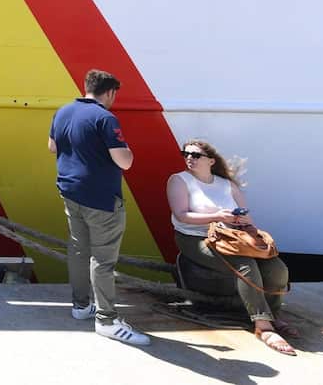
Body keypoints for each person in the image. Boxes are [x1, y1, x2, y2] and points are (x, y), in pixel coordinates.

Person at [48, 69, 151, 346]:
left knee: (79, 252)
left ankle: (81, 306)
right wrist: (126, 150)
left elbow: (52, 146)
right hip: (101, 200)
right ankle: (106, 320)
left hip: (70, 192)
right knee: (103, 260)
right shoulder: (105, 118)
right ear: (110, 92)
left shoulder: (63, 111)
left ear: (87, 87)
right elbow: (125, 161)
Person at [167, 140, 295, 355]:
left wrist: (241, 221)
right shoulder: (179, 180)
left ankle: (274, 313)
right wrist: (217, 216)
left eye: (195, 155)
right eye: (185, 154)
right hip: (195, 238)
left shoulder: (227, 184)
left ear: (211, 161)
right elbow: (182, 215)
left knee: (277, 268)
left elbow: (247, 216)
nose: (189, 158)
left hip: (231, 237)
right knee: (244, 265)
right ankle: (263, 326)